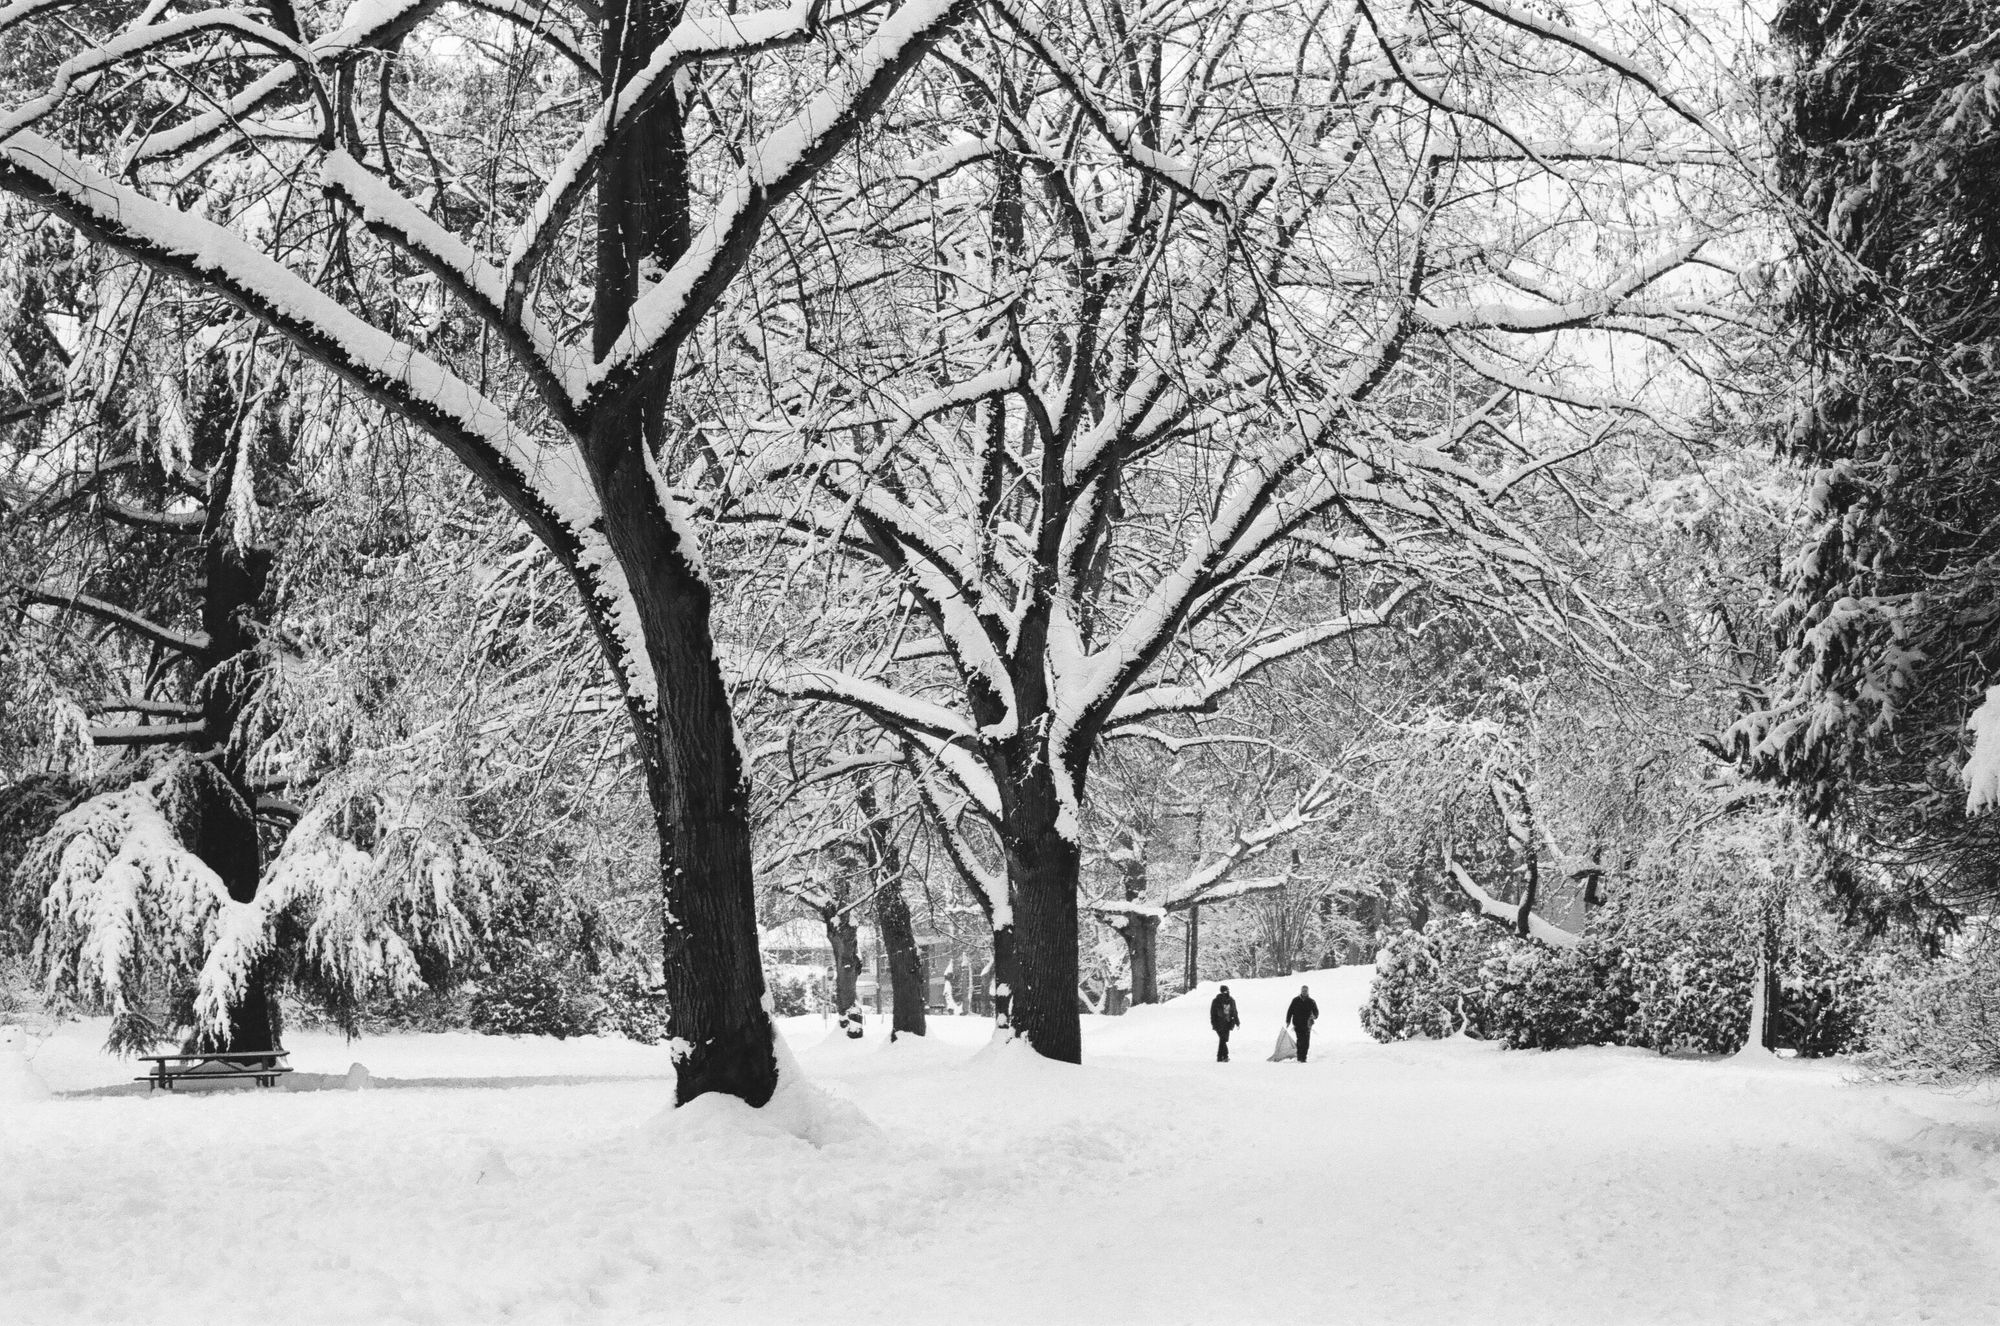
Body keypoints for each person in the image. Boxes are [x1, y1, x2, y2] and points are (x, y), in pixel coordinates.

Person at [1285, 984, 1320, 1063]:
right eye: (1303, 991)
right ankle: (1299, 1057)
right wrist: (1288, 1021)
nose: (1304, 992)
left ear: (1308, 992)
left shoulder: (1311, 1001)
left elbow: (1316, 1012)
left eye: (1305, 991)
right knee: (1300, 1041)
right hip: (1297, 1024)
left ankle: (1303, 1058)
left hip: (1307, 1025)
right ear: (1301, 991)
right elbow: (1290, 1011)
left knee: (1306, 1042)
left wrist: (1314, 1016)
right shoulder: (1295, 1000)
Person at [1210, 984, 1240, 1061]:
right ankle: (1224, 1056)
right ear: (1221, 992)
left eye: (1227, 991)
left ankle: (1220, 1057)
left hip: (1228, 1023)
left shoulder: (1231, 1000)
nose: (1226, 992)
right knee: (1223, 1039)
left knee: (1224, 1039)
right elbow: (1213, 1013)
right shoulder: (1216, 1001)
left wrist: (1237, 1022)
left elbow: (1234, 1012)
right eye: (1225, 991)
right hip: (1218, 1023)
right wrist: (1213, 1023)